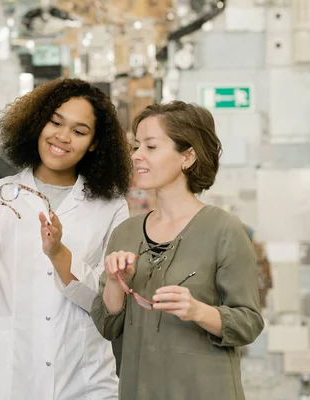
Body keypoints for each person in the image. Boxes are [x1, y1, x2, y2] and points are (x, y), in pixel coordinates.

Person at [0, 78, 132, 400]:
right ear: (38, 122)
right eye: (55, 122)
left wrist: (58, 253)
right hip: (4, 376)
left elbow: (107, 303)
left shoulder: (111, 207)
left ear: (95, 143)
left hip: (81, 377)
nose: (62, 137)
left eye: (79, 131)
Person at [91, 101, 265, 399]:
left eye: (151, 147)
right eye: (136, 147)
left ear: (187, 156)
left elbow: (249, 323)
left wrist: (198, 310)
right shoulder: (126, 233)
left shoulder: (225, 229)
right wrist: (117, 284)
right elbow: (108, 326)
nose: (137, 156)